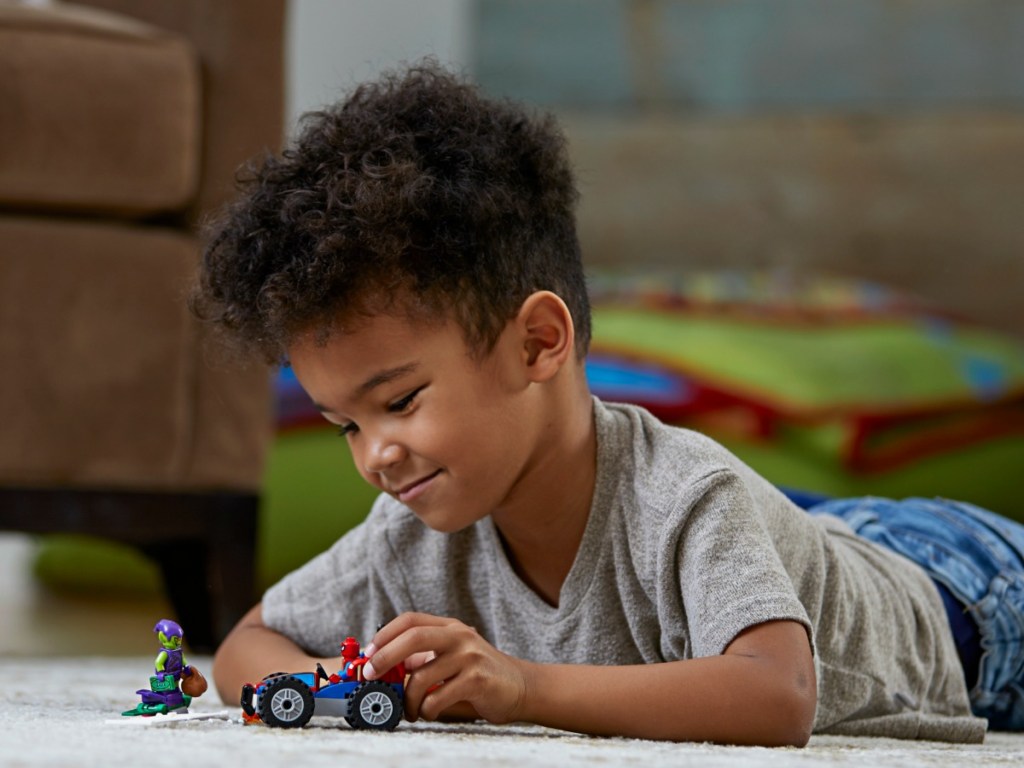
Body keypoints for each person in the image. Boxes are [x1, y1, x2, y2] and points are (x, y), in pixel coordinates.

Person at [191, 61, 1024, 745]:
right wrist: (351, 691)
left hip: (965, 592)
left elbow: (776, 697)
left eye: (400, 402)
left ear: (538, 344)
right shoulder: (409, 536)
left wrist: (520, 686)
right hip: (808, 539)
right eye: (345, 425)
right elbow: (244, 649)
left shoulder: (685, 494)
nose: (375, 455)